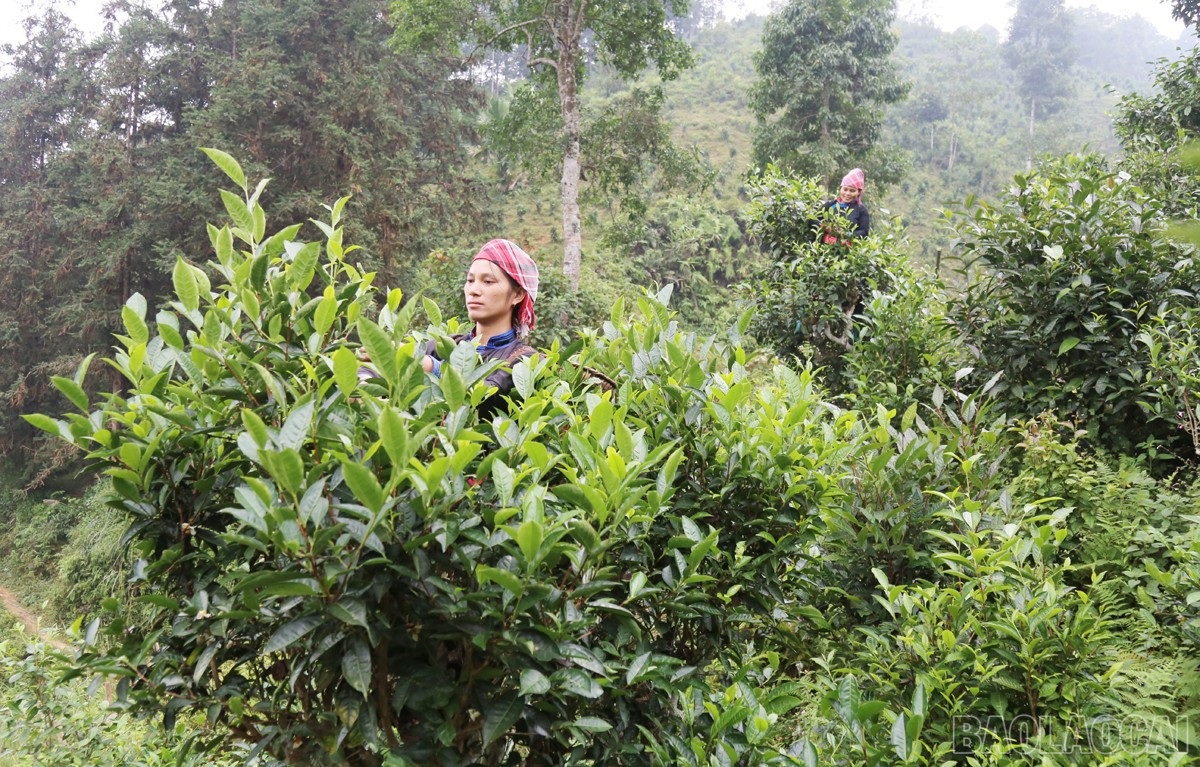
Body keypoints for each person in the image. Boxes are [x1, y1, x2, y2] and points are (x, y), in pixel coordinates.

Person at [419, 239, 539, 402]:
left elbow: (486, 397)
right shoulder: (442, 346)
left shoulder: (525, 360)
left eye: (488, 281)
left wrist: (433, 368)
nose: (473, 290)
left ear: (517, 295)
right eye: (470, 281)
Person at [817, 167, 870, 244]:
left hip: (849, 253)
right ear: (840, 189)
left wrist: (845, 235)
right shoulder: (830, 205)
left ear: (858, 192)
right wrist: (826, 228)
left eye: (852, 191)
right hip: (825, 250)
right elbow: (813, 220)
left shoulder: (861, 210)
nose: (847, 193)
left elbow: (864, 232)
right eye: (845, 189)